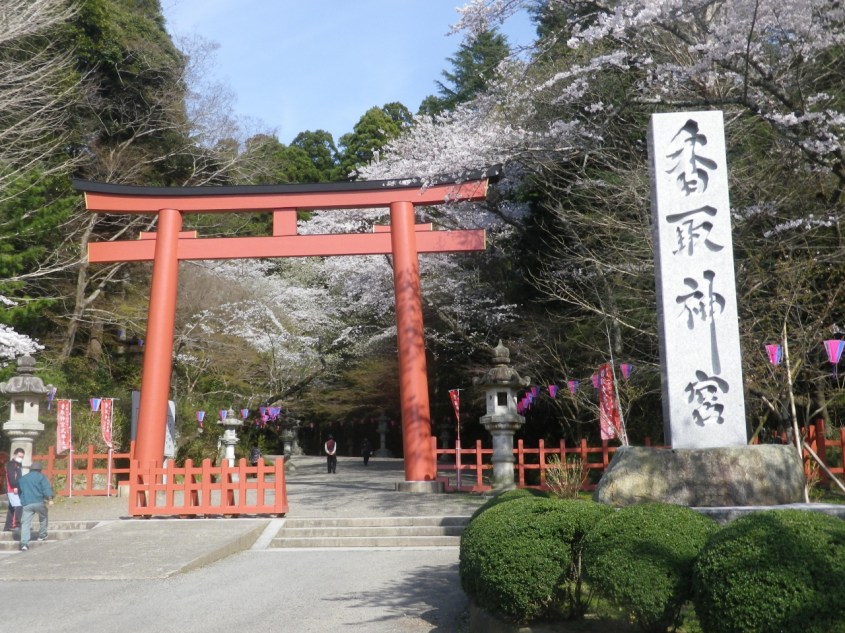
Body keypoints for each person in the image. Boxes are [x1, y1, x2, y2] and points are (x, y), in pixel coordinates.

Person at [18, 461, 54, 551]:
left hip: (27, 503)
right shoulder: (42, 477)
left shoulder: (23, 479)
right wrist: (50, 499)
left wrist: (22, 500)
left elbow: (20, 491)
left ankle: (24, 544)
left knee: (25, 523)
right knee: (43, 517)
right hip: (39, 502)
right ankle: (42, 535)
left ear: (30, 469)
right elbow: (46, 488)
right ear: (40, 470)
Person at [4, 448, 24, 531]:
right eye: (19, 456)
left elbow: (19, 477)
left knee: (12, 507)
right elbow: (11, 476)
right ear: (14, 455)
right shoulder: (11, 464)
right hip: (12, 488)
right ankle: (16, 525)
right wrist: (15, 486)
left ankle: (7, 526)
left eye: (22, 457)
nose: (21, 458)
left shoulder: (18, 464)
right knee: (18, 506)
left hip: (16, 488)